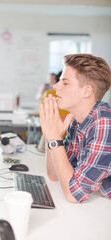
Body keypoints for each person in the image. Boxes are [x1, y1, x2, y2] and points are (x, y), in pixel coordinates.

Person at [39, 53, 111, 203]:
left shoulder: (104, 124)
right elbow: (54, 175)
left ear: (86, 91)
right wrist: (50, 135)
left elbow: (73, 194)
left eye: (65, 83)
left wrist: (55, 140)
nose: (56, 86)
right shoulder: (77, 121)